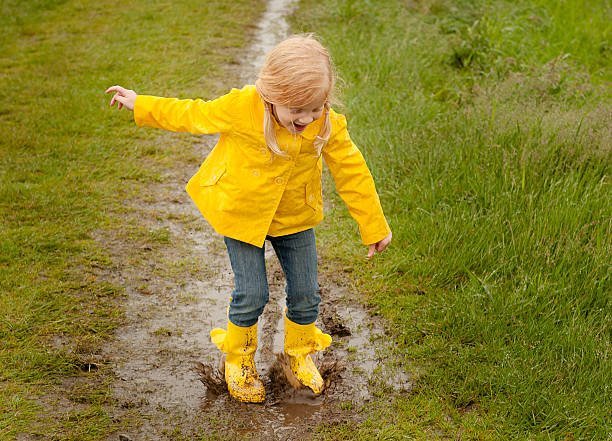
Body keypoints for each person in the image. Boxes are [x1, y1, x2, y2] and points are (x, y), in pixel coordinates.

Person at [105, 34, 392, 404]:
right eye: (296, 110)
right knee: (252, 293)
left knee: (306, 294)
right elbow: (193, 114)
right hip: (244, 217)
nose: (306, 118)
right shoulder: (243, 107)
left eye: (315, 108)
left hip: (294, 218)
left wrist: (373, 225)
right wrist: (140, 104)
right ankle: (239, 361)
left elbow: (352, 171)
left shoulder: (326, 124)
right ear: (271, 95)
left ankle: (298, 357)